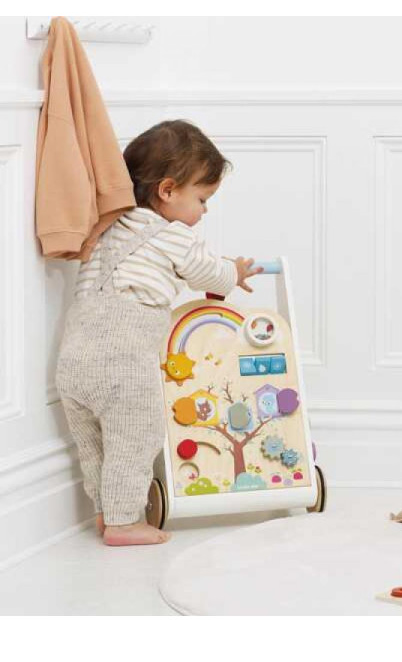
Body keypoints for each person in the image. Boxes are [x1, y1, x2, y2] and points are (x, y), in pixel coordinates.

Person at [55, 119, 262, 546]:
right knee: (134, 438)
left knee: (93, 446)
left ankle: (105, 512)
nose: (204, 212)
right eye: (202, 199)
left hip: (73, 362)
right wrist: (234, 273)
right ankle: (124, 522)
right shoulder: (172, 235)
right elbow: (208, 272)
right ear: (167, 190)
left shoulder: (106, 228)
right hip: (123, 360)